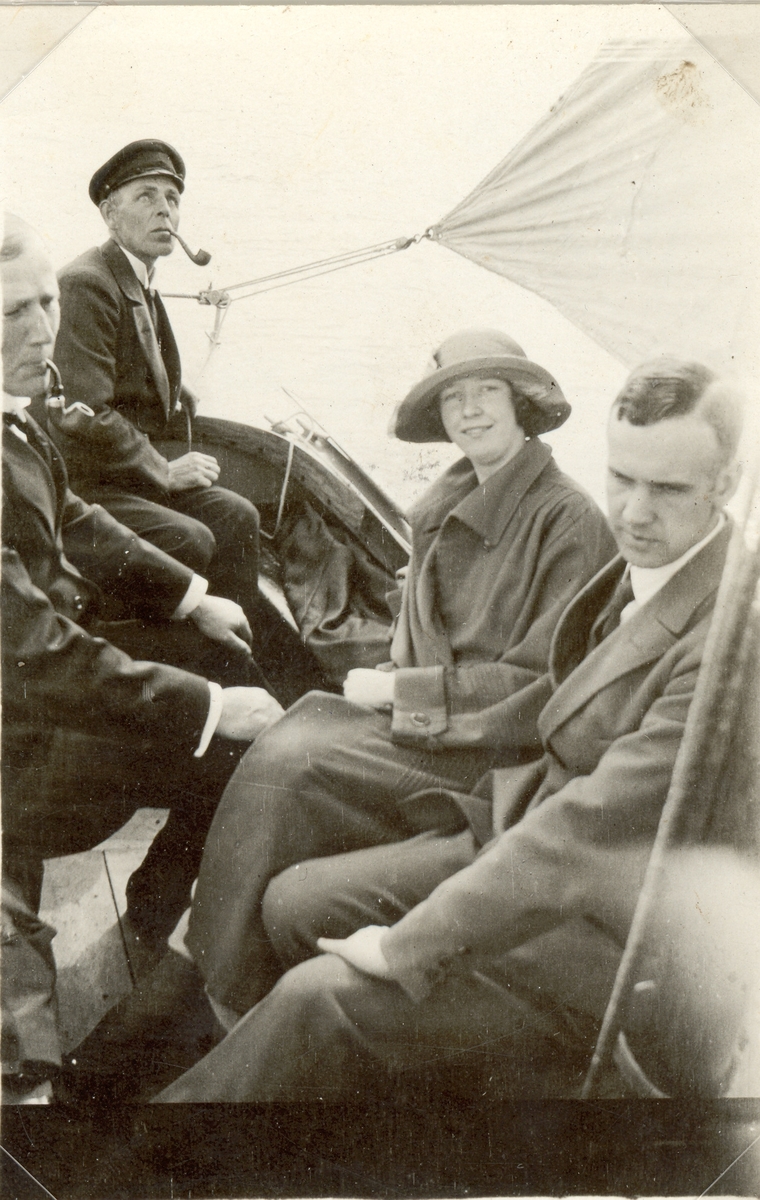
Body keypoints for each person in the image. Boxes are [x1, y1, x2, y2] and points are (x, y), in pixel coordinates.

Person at [155, 356, 744, 1102]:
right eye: (621, 478)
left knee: (319, 996)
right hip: (533, 848)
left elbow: (583, 832)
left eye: (668, 489)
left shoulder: (733, 646)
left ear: (727, 483)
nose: (633, 512)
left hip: (621, 955)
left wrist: (408, 946)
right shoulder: (645, 573)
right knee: (293, 902)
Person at [185, 328, 616, 1020]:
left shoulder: (569, 520)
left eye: (487, 392)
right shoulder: (448, 504)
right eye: (453, 398)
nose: (470, 410)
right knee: (287, 739)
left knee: (294, 764)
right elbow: (421, 643)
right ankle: (213, 963)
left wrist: (396, 690)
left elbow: (546, 691)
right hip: (440, 729)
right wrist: (394, 678)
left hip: (500, 762)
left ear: (522, 403)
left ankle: (211, 985)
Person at [0, 214, 285, 1102]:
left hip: (32, 699)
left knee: (225, 665)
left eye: (47, 302)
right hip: (19, 758)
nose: (42, 330)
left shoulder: (15, 418)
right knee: (238, 742)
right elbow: (39, 653)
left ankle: (164, 911)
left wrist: (191, 598)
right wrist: (209, 710)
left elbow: (72, 517)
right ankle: (171, 938)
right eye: (13, 313)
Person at [43, 139, 325, 704]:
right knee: (191, 537)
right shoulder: (87, 282)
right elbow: (80, 412)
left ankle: (246, 666)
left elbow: (124, 375)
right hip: (83, 485)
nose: (165, 211)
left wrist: (175, 391)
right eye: (146, 197)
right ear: (110, 213)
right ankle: (197, 681)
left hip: (120, 475)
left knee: (237, 515)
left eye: (172, 198)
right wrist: (163, 469)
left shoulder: (136, 278)